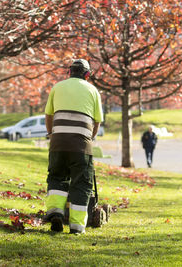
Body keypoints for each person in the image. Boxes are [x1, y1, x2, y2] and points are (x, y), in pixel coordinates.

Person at [43, 59, 103, 234]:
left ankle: (55, 213)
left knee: (56, 177)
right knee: (82, 183)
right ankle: (77, 227)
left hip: (58, 143)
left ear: (69, 72)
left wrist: (51, 135)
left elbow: (49, 115)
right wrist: (89, 139)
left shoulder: (57, 87)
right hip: (81, 145)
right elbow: (97, 122)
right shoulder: (93, 90)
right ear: (87, 74)